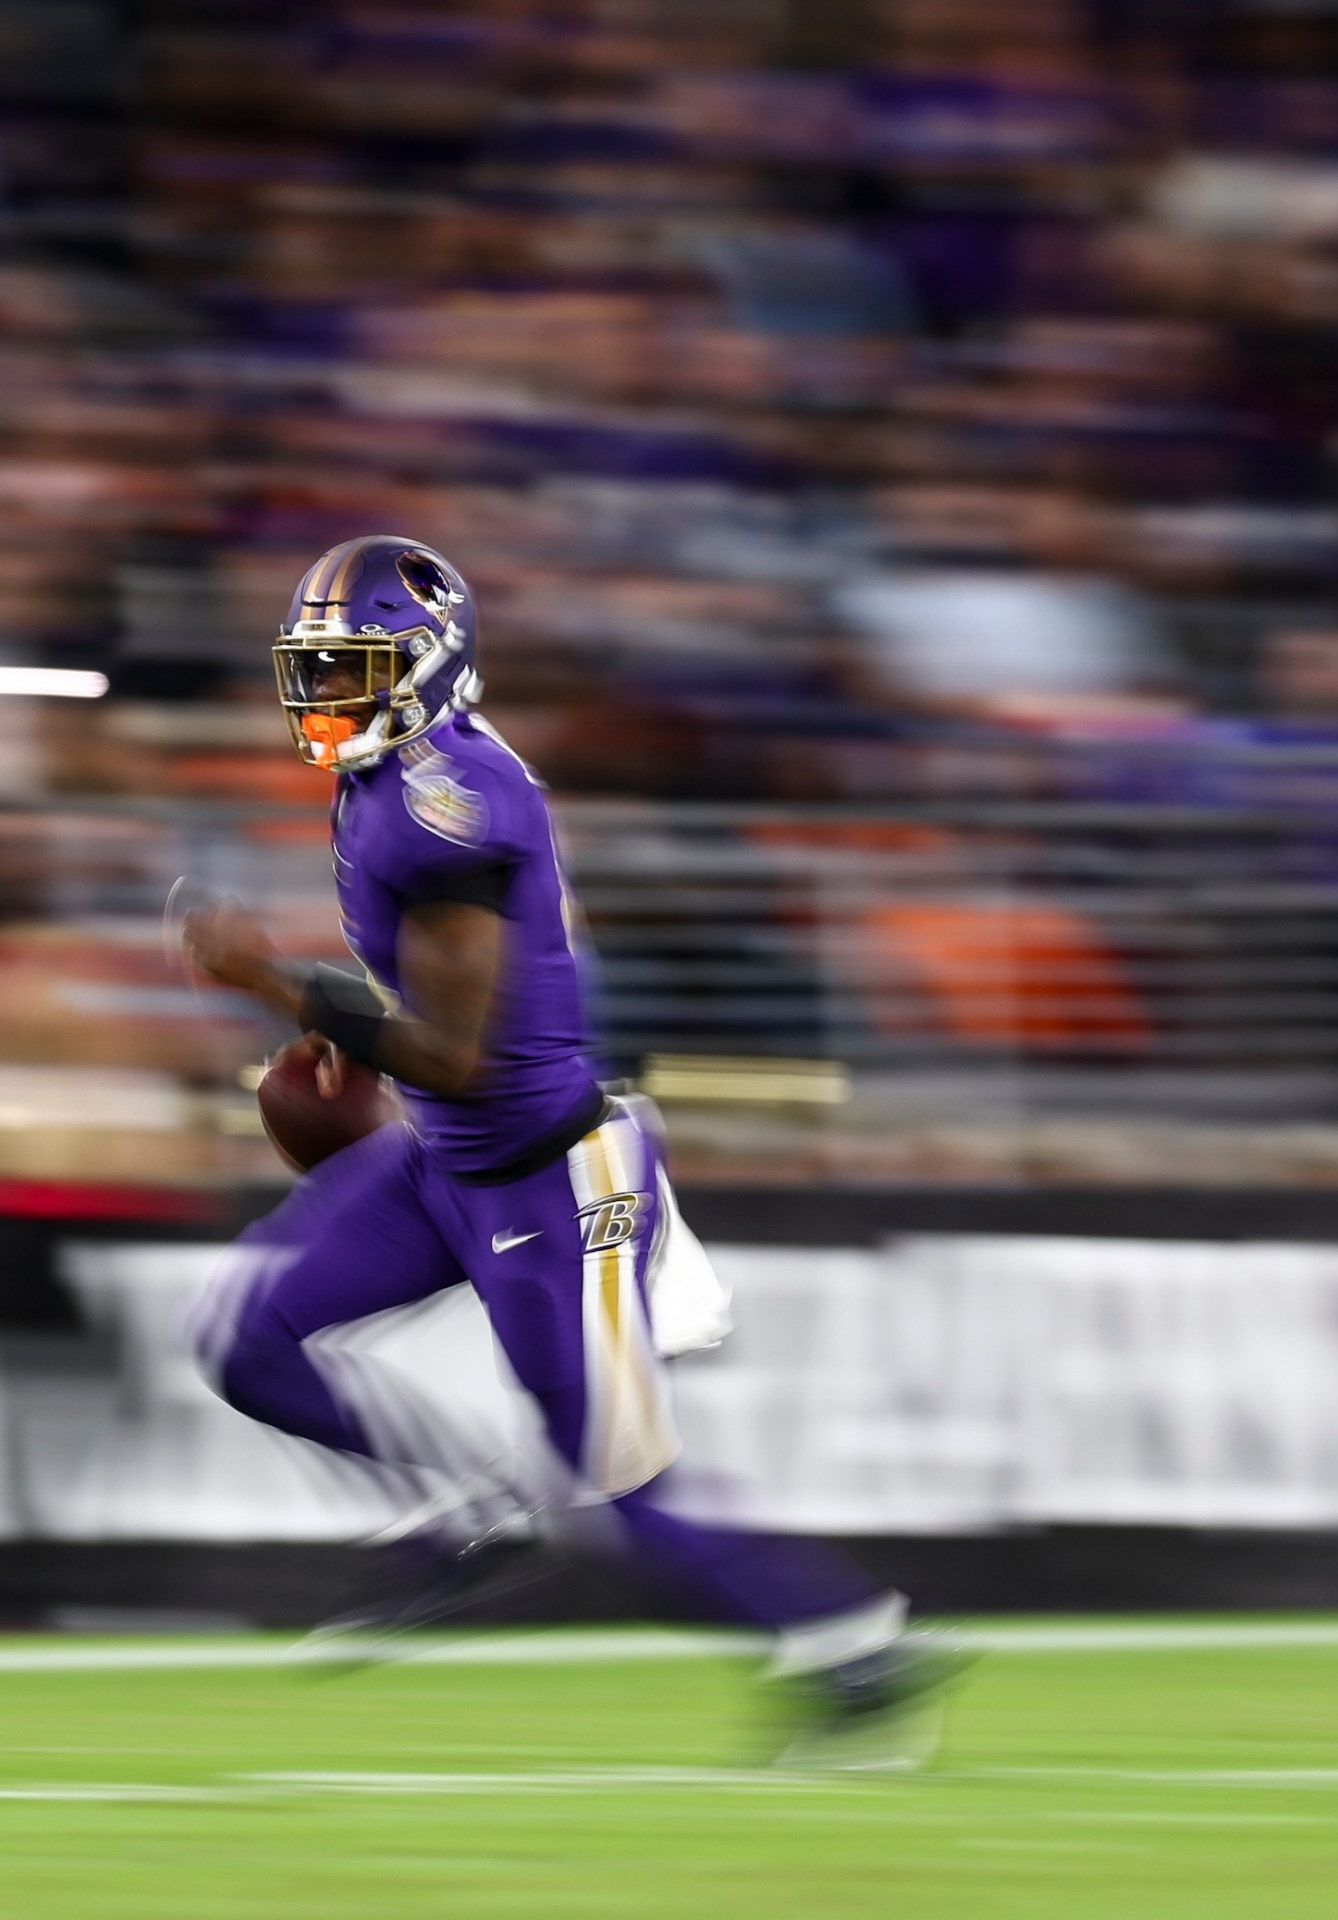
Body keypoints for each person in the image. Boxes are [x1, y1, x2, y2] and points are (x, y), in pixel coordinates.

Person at [176, 534, 959, 1766]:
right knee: (246, 1336)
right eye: (313, 670)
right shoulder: (396, 777)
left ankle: (853, 1647)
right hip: (447, 1161)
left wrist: (275, 983)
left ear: (427, 662)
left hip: (550, 1176)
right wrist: (345, 1036)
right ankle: (462, 1517)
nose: (323, 696)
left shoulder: (447, 805)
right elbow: (436, 1047)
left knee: (617, 1497)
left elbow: (462, 1056)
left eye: (352, 667)